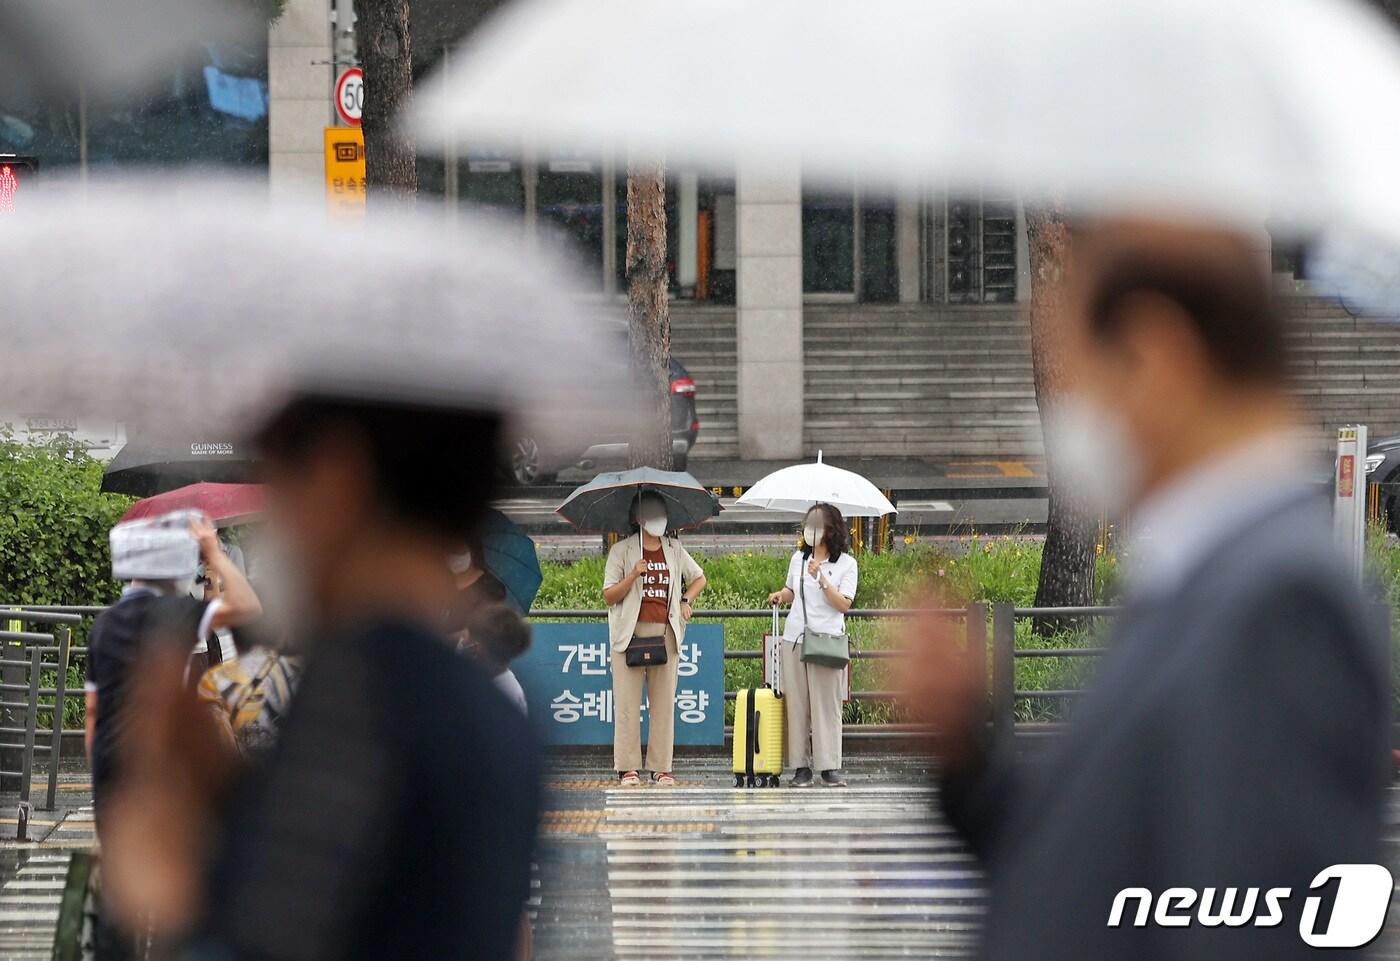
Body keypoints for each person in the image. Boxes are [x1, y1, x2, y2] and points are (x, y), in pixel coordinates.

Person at [906, 220, 1391, 960]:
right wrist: (969, 765)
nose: (1068, 414)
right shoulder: (1205, 573)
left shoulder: (1284, 609)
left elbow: (1249, 923)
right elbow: (1125, 866)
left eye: (1083, 374)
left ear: (1155, 359)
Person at [98, 397, 544, 961]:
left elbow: (265, 939)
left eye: (277, 480)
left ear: (336, 479)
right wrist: (222, 790)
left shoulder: (361, 691)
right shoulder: (484, 703)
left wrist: (159, 876)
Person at [85, 510, 261, 961]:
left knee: (121, 888)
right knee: (176, 882)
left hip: (113, 763)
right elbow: (249, 608)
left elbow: (92, 710)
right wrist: (214, 552)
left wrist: (98, 771)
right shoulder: (178, 612)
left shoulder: (104, 625)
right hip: (164, 766)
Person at [603, 490, 707, 786]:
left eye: (661, 513)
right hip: (629, 636)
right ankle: (628, 768)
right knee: (626, 704)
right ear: (638, 518)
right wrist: (633, 575)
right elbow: (609, 595)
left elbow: (699, 577)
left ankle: (661, 767)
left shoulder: (674, 549)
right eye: (651, 514)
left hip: (666, 635)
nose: (658, 520)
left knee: (663, 705)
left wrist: (686, 600)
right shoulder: (622, 551)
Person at [766, 503, 857, 788]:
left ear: (831, 530)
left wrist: (822, 577)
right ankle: (800, 767)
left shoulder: (846, 564)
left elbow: (843, 604)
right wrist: (781, 595)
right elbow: (792, 591)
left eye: (817, 524)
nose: (810, 530)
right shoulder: (798, 559)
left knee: (826, 706)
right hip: (795, 639)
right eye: (808, 523)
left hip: (826, 641)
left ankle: (829, 766)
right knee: (797, 705)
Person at [459, 601, 532, 715]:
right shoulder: (512, 694)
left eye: (465, 641)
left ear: (477, 648)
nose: (462, 642)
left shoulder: (504, 697)